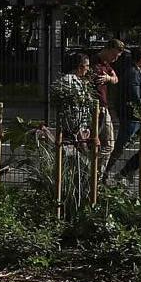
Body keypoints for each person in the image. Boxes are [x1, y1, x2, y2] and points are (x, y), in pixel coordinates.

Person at [53, 51, 97, 197]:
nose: (88, 69)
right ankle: (74, 191)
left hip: (80, 128)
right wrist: (78, 128)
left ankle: (77, 190)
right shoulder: (68, 81)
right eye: (86, 66)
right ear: (79, 66)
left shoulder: (81, 82)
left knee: (80, 162)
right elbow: (70, 108)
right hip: (73, 130)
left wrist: (85, 126)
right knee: (79, 162)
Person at [106, 45, 141, 182]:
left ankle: (122, 171)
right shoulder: (133, 74)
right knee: (120, 146)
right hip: (133, 117)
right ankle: (104, 171)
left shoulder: (139, 73)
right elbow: (134, 95)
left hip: (139, 117)